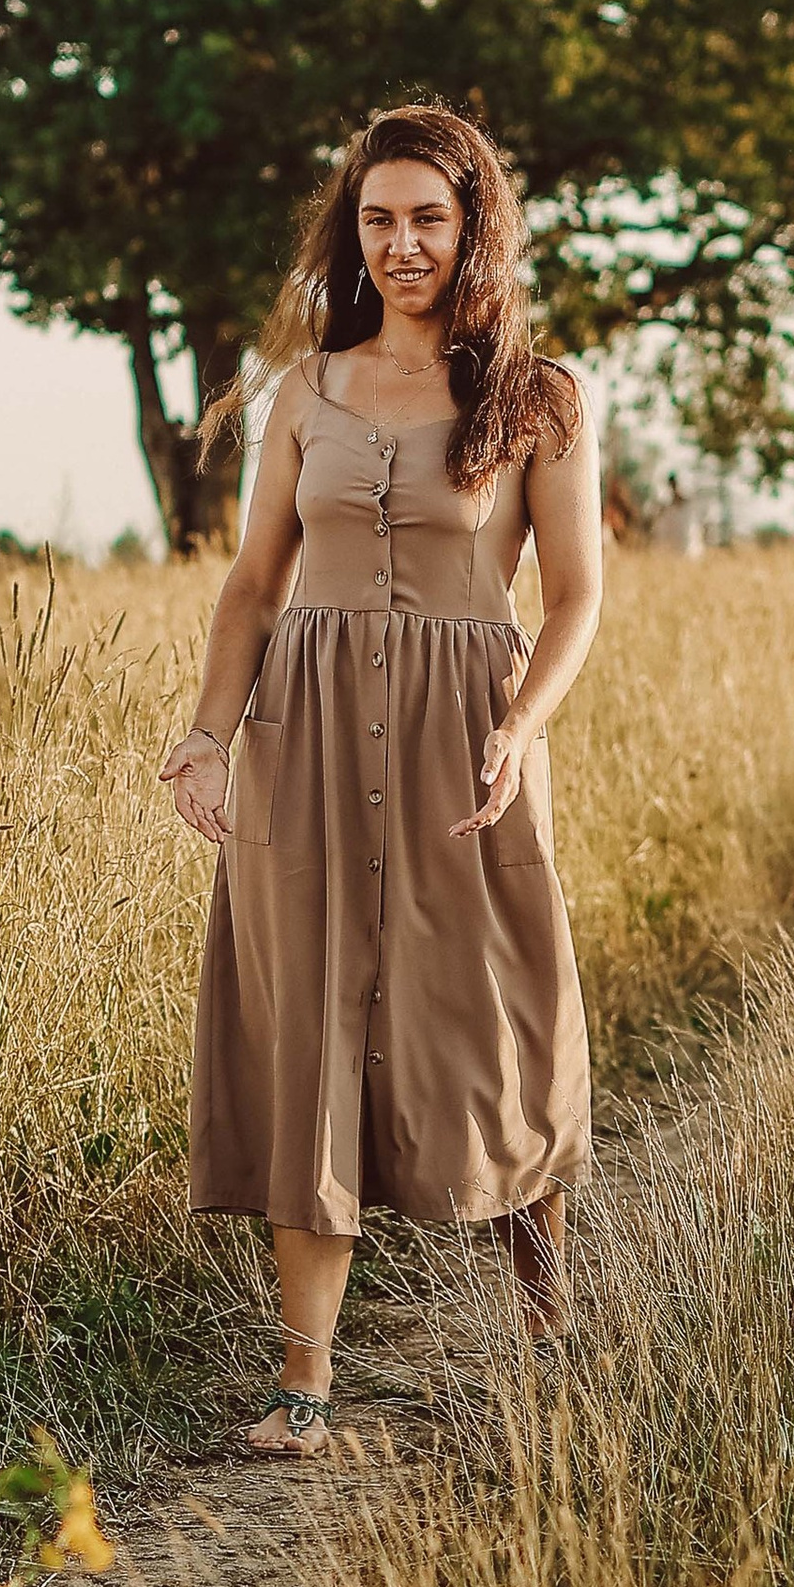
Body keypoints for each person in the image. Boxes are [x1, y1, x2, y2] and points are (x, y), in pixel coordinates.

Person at [158, 103, 602, 1457]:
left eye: (427, 217)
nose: (401, 242)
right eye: (377, 218)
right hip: (305, 730)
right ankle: (305, 1387)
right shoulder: (306, 391)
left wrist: (521, 723)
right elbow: (252, 583)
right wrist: (203, 732)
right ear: (350, 234)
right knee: (312, 1031)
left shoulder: (540, 398)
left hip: (469, 740)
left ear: (473, 229)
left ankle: (549, 1323)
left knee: (498, 1016)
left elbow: (577, 598)